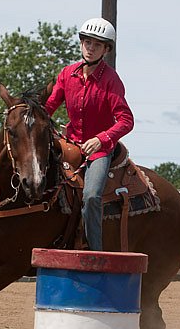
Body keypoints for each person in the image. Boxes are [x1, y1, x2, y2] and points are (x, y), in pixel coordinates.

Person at [45, 17, 134, 251]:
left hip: (100, 151)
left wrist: (101, 139)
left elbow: (126, 120)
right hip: (70, 144)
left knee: (92, 196)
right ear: (81, 43)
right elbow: (49, 107)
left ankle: (95, 253)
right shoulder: (67, 74)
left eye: (97, 44)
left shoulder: (111, 80)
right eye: (87, 42)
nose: (90, 47)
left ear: (106, 49)